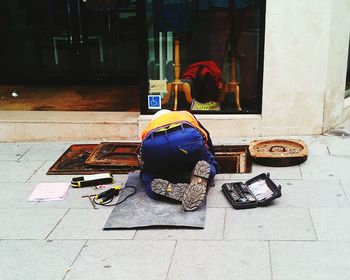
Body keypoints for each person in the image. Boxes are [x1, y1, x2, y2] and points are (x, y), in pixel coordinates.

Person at [139, 109, 219, 211]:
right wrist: (213, 162)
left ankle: (159, 189)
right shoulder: (185, 115)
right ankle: (199, 180)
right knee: (207, 165)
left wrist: (146, 172)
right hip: (187, 138)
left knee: (149, 175)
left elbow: (145, 158)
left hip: (155, 145)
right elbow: (206, 137)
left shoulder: (150, 127)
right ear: (171, 112)